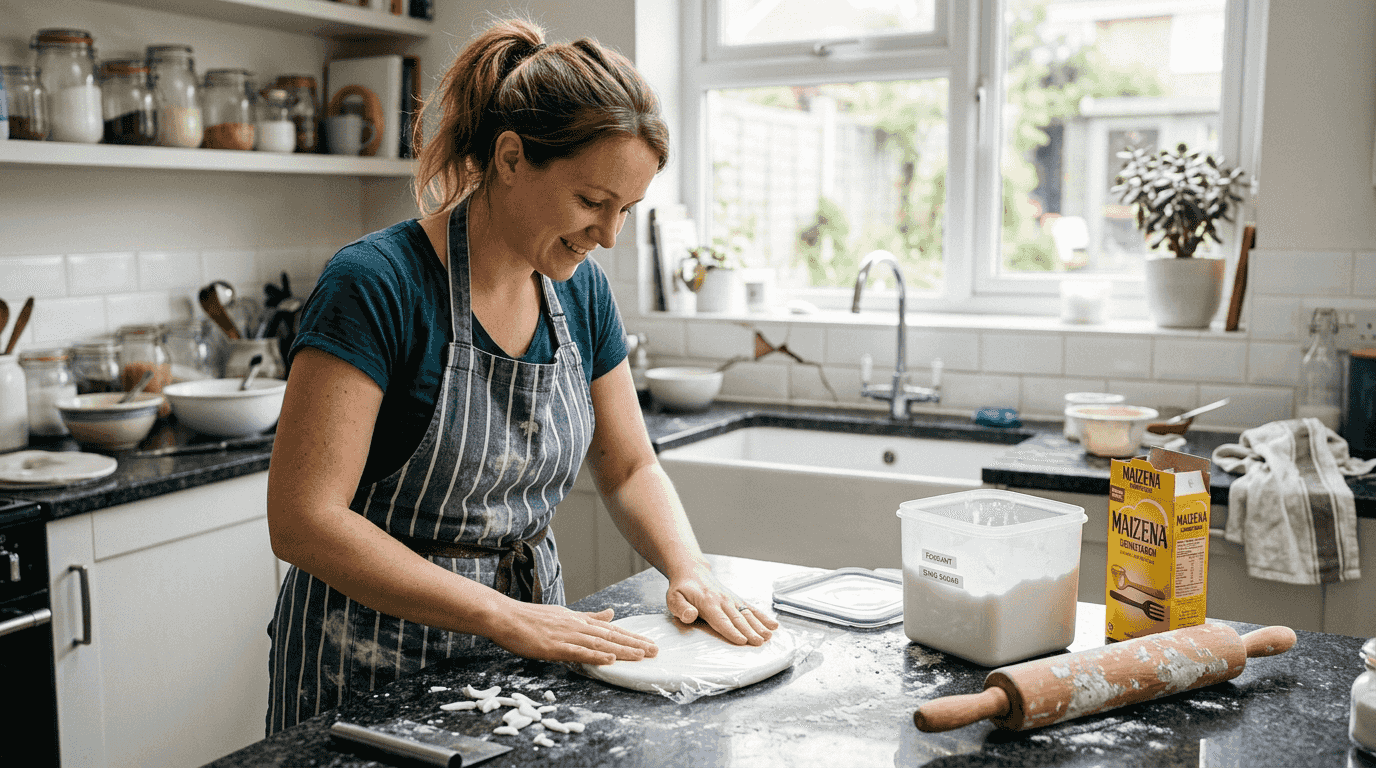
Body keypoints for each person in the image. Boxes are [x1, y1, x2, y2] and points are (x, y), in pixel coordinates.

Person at [262, 18, 777, 734]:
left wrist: (686, 567)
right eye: (592, 202)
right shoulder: (376, 284)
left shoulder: (580, 291)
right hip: (364, 670)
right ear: (510, 158)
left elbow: (628, 467)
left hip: (526, 652)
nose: (609, 236)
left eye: (626, 210)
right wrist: (504, 617)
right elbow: (304, 522)